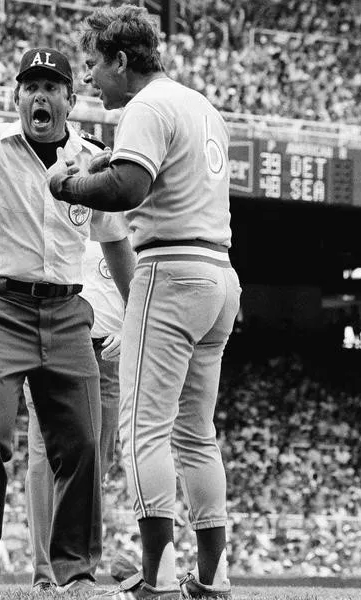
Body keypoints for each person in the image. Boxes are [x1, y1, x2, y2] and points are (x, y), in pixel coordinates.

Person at [0, 32, 136, 599]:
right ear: (17, 98)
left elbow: (114, 243)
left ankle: (76, 574)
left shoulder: (90, 160)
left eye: (52, 88)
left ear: (69, 100)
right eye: (31, 87)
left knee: (84, 445)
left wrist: (136, 311)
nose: (41, 97)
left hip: (67, 312)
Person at [47, 5, 242, 599]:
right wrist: (107, 160)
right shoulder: (199, 104)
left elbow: (129, 188)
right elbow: (157, 174)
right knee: (196, 433)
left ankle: (156, 573)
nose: (87, 81)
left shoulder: (145, 106)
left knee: (141, 430)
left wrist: (67, 184)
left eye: (92, 67)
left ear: (122, 60)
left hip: (170, 266)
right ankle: (212, 575)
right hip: (218, 274)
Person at [24, 237, 125, 592]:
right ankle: (45, 573)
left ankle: (77, 566)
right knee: (43, 458)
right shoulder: (57, 208)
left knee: (98, 459)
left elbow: (143, 288)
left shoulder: (128, 215)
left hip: (110, 354)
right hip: (56, 344)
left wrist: (130, 329)